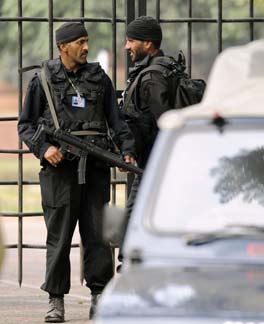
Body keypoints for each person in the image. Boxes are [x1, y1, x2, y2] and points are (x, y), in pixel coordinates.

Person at [17, 22, 135, 323]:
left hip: (94, 169)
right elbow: (26, 125)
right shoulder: (42, 80)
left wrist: (126, 150)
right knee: (58, 238)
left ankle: (99, 296)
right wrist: (44, 149)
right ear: (63, 47)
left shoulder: (99, 79)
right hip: (60, 173)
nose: (85, 47)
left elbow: (117, 121)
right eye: (80, 42)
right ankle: (56, 300)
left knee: (97, 235)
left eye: (87, 41)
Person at [118, 16, 171, 268]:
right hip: (152, 162)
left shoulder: (152, 77)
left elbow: (165, 123)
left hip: (155, 165)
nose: (127, 47)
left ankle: (129, 267)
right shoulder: (159, 69)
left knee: (133, 219)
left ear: (148, 44)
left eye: (131, 41)